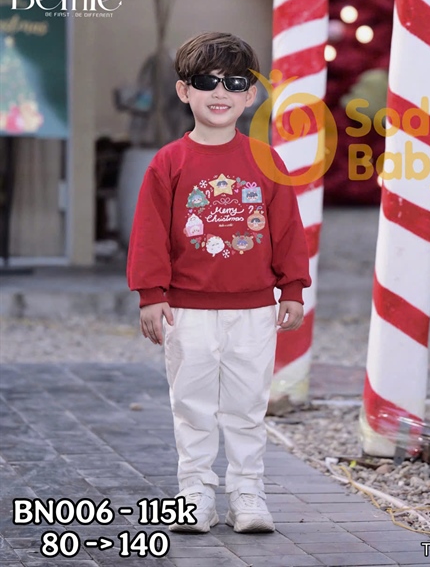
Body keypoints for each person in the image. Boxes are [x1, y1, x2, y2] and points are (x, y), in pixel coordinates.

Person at [127, 32, 311, 534]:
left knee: (247, 405)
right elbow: (149, 233)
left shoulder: (266, 161)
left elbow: (287, 230)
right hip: (185, 310)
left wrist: (293, 288)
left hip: (254, 311)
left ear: (250, 94)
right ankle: (195, 493)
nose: (220, 92)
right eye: (206, 81)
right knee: (192, 405)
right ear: (184, 91)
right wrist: (151, 294)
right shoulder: (168, 162)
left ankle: (247, 493)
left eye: (233, 82)